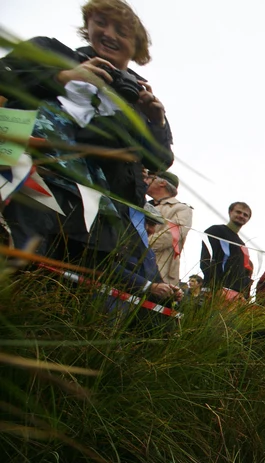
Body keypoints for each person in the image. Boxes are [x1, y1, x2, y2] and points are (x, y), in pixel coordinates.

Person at [0, 0, 175, 298]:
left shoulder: (138, 96)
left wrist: (156, 121)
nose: (109, 34)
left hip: (101, 211)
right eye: (101, 23)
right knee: (21, 260)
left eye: (121, 30)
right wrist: (63, 77)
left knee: (80, 288)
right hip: (27, 181)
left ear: (137, 46)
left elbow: (158, 159)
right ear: (87, 26)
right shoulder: (51, 53)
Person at [144, 169, 192, 287]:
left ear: (162, 183)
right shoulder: (143, 204)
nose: (145, 180)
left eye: (150, 178)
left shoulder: (182, 209)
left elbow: (170, 236)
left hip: (160, 271)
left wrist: (138, 244)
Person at [199, 201, 253, 297]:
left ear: (248, 219)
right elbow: (206, 260)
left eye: (245, 215)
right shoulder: (215, 231)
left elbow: (241, 272)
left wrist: (243, 294)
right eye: (238, 212)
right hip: (214, 291)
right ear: (230, 212)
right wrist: (215, 287)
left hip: (233, 295)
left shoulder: (242, 244)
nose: (241, 216)